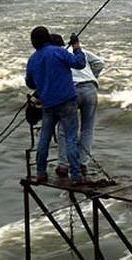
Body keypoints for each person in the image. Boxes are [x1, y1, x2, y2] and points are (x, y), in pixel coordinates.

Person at [24, 25, 87, 185]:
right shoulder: (59, 51)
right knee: (71, 138)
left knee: (44, 139)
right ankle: (76, 176)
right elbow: (80, 63)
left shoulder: (32, 59)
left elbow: (30, 83)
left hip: (48, 105)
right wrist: (76, 47)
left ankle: (40, 173)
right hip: (67, 102)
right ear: (48, 38)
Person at [49, 33, 105, 180]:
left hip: (71, 90)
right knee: (87, 128)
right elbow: (100, 64)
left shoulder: (53, 56)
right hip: (90, 89)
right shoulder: (82, 52)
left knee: (64, 129)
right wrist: (92, 77)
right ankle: (82, 163)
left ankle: (63, 164)